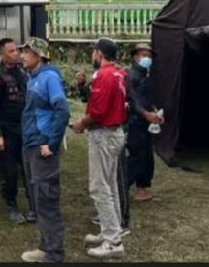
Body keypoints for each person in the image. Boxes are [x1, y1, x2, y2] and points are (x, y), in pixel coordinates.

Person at [72, 37, 127, 260]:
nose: (92, 56)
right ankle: (111, 230)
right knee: (110, 185)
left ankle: (113, 241)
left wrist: (80, 123)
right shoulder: (119, 73)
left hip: (104, 134)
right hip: (115, 132)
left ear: (99, 53)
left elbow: (97, 112)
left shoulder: (104, 76)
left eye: (94, 52)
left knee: (99, 187)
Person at [18, 37, 70, 264]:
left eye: (26, 52)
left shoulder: (49, 78)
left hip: (42, 148)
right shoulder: (33, 78)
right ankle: (45, 247)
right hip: (30, 146)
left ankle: (54, 254)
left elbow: (63, 110)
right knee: (39, 200)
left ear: (38, 55)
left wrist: (53, 143)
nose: (22, 56)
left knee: (47, 201)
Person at [0, 37, 36, 224]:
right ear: (2, 54)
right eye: (11, 51)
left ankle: (33, 206)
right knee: (9, 171)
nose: (16, 53)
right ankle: (11, 204)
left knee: (29, 167)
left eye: (16, 50)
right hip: (8, 129)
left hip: (26, 127)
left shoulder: (24, 72)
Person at [125, 42, 164, 202]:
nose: (146, 58)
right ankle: (119, 187)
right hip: (136, 123)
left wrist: (154, 111)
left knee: (147, 157)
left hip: (146, 124)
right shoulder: (131, 76)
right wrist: (146, 114)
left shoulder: (145, 75)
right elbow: (132, 102)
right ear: (135, 57)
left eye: (149, 56)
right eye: (143, 55)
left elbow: (146, 100)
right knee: (137, 158)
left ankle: (141, 190)